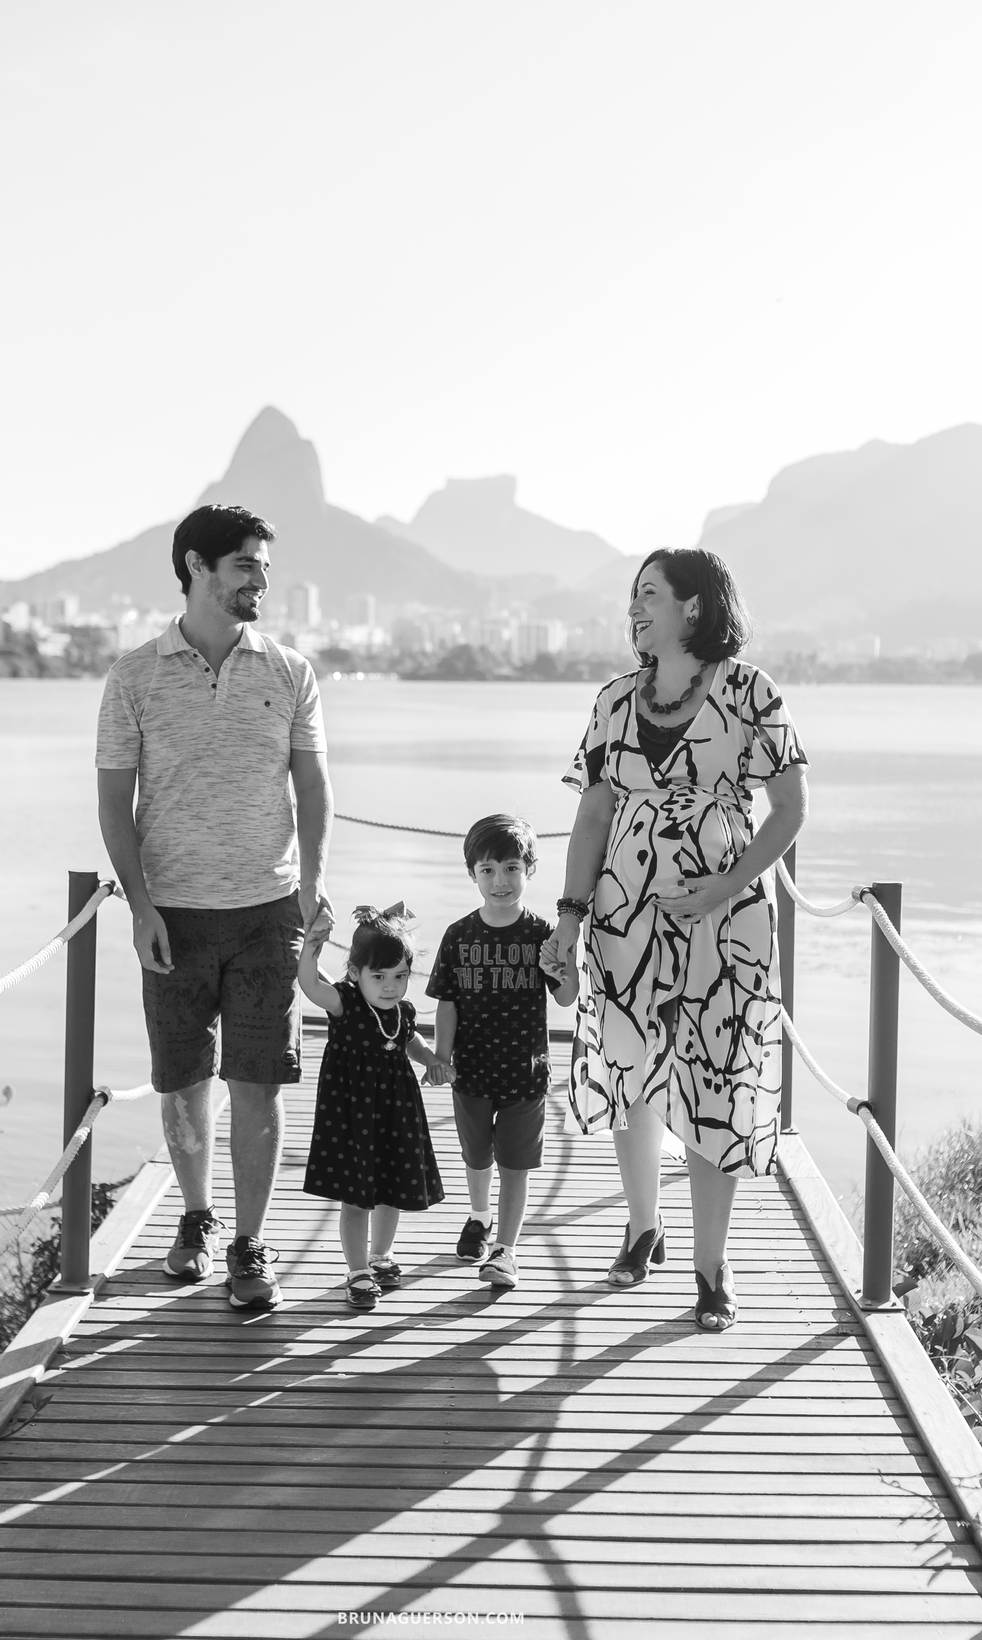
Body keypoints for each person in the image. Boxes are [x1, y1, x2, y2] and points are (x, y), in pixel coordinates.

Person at [541, 548, 807, 1332]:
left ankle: (711, 1267)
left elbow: (791, 808)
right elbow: (593, 816)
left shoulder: (750, 690)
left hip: (725, 919)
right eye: (633, 594)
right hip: (625, 917)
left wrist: (723, 888)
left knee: (713, 1080)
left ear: (693, 606)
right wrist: (567, 914)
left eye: (650, 593)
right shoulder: (615, 700)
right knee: (631, 1067)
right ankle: (641, 1227)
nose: (635, 605)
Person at [96, 502, 333, 1312]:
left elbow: (313, 788)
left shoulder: (290, 672)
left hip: (269, 912)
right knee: (184, 1081)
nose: (261, 580)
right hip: (177, 916)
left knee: (259, 1084)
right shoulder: (133, 676)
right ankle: (196, 1220)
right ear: (197, 567)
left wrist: (313, 885)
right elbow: (113, 804)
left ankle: (250, 1243)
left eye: (264, 566)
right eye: (246, 566)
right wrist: (141, 907)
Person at [427, 815, 579, 1291]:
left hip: (524, 1071)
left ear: (529, 870)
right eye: (488, 869)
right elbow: (446, 1004)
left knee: (516, 1163)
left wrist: (566, 965)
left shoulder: (542, 934)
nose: (500, 881)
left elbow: (565, 997)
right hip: (470, 1071)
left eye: (512, 868)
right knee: (477, 1156)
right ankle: (478, 1217)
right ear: (472, 872)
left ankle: (505, 1250)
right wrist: (440, 1058)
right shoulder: (457, 935)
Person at [300, 903, 449, 1310]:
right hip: (351, 1113)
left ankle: (381, 1256)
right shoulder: (344, 1003)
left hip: (395, 1109)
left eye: (400, 976)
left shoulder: (402, 1010)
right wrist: (310, 950)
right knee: (356, 1196)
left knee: (391, 1189)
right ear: (354, 973)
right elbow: (310, 986)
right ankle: (357, 1271)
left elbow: (409, 1041)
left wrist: (433, 1060)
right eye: (379, 977)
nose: (390, 986)